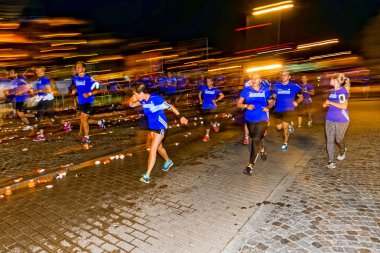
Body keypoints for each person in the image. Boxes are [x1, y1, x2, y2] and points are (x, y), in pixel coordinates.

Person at [128, 83, 188, 183]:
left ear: (142, 93)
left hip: (161, 125)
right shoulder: (143, 100)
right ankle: (168, 161)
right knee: (159, 148)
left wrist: (181, 116)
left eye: (136, 94)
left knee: (153, 149)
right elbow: (131, 104)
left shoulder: (156, 99)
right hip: (153, 127)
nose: (136, 97)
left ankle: (147, 176)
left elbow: (171, 107)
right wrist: (133, 97)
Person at [237, 73, 274, 175]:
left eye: (256, 78)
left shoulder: (265, 90)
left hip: (262, 117)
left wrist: (269, 107)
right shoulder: (246, 90)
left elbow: (271, 102)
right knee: (254, 138)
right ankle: (261, 148)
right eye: (253, 78)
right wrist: (246, 105)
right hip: (250, 118)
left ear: (260, 80)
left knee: (255, 139)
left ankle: (250, 166)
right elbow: (238, 104)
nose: (254, 80)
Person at [71, 61, 105, 144]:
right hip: (81, 102)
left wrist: (89, 93)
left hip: (89, 101)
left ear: (84, 69)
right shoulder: (75, 78)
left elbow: (98, 90)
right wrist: (74, 90)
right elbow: (75, 89)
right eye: (76, 67)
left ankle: (87, 137)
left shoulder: (89, 78)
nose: (77, 69)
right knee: (83, 120)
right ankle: (99, 122)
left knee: (83, 119)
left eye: (79, 67)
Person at [323, 73, 350, 169]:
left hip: (341, 119)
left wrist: (330, 102)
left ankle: (343, 150)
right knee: (330, 140)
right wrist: (326, 104)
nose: (330, 79)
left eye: (331, 78)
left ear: (336, 80)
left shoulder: (342, 92)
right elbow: (334, 104)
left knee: (338, 139)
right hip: (330, 118)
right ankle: (330, 161)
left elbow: (343, 106)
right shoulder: (332, 91)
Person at [272, 71, 303, 151]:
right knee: (279, 128)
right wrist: (273, 98)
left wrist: (297, 102)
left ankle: (285, 143)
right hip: (278, 109)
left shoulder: (294, 86)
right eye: (282, 75)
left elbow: (301, 97)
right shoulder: (276, 85)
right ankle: (290, 125)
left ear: (289, 77)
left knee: (285, 128)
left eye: (285, 75)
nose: (283, 76)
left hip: (289, 109)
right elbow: (274, 94)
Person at [198, 76, 224, 141]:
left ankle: (207, 136)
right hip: (204, 106)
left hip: (212, 106)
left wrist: (216, 100)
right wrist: (200, 100)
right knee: (207, 121)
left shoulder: (215, 89)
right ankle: (215, 125)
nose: (208, 82)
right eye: (207, 81)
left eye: (209, 81)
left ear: (212, 82)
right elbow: (199, 94)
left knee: (207, 120)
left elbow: (222, 95)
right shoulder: (203, 88)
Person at [33, 66, 55, 141]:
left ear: (43, 72)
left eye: (39, 71)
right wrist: (36, 91)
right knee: (50, 117)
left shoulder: (44, 79)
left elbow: (49, 90)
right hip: (42, 99)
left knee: (40, 116)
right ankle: (65, 123)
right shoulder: (39, 79)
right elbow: (41, 89)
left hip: (46, 99)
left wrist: (40, 91)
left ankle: (41, 135)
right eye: (36, 71)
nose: (37, 72)